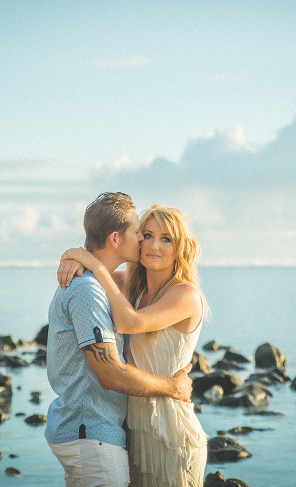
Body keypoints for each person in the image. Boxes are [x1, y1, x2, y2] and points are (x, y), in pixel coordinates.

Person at [45, 193, 194, 487]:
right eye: (143, 233)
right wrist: (173, 387)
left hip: (150, 429)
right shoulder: (95, 289)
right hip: (94, 433)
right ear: (116, 239)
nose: (146, 242)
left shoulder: (162, 291)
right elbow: (112, 374)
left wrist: (82, 257)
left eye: (166, 239)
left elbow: (121, 303)